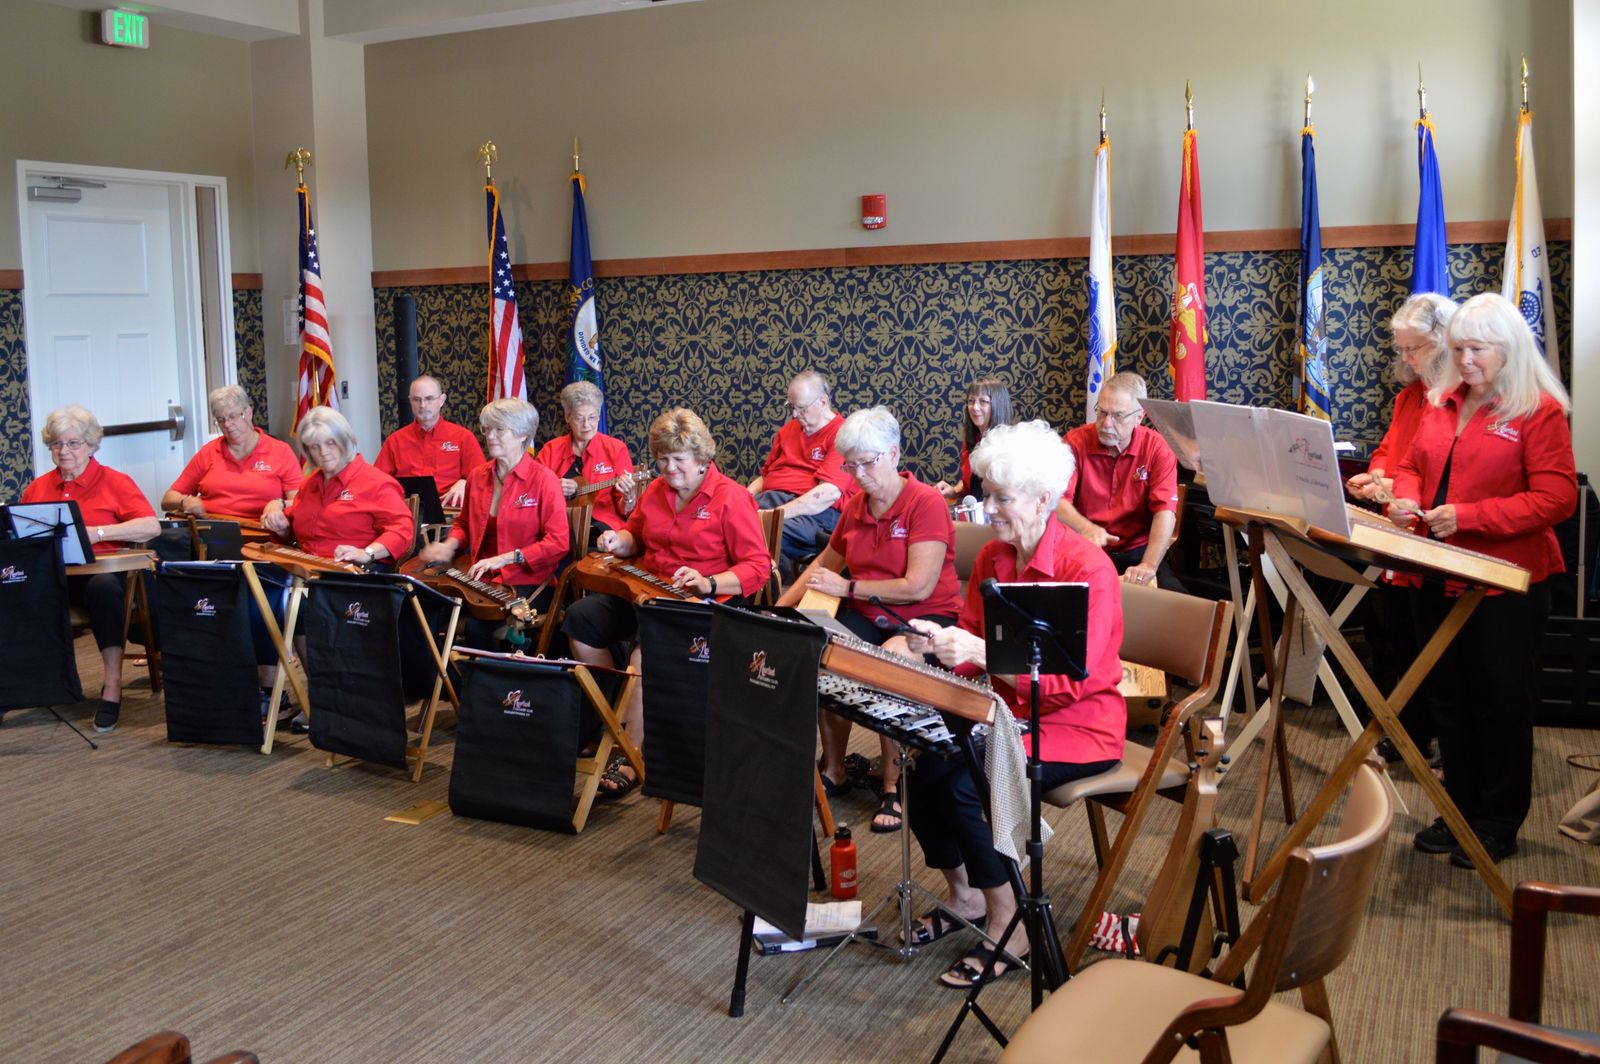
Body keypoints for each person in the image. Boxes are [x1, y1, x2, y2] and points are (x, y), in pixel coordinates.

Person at [904, 420, 1124, 988]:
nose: (988, 507)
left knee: (965, 776)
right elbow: (973, 648)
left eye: (1002, 498)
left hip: (1078, 726)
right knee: (923, 760)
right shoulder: (994, 557)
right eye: (988, 493)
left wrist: (980, 652)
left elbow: (1068, 685)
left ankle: (1012, 921)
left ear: (1044, 500)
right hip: (1003, 714)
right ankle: (968, 896)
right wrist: (939, 646)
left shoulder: (1086, 570)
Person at [1390, 292, 1575, 868]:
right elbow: (1409, 465)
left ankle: (1497, 823)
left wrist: (1469, 518)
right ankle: (1459, 811)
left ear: (1508, 350)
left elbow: (1557, 499)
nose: (1464, 361)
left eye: (1476, 350)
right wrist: (1405, 499)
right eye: (1457, 350)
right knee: (1448, 698)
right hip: (1436, 572)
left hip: (1505, 585)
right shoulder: (1439, 401)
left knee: (1499, 703)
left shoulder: (1538, 410)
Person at [565, 408, 770, 798]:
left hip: (700, 603)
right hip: (646, 590)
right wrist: (618, 541)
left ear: (702, 458)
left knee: (644, 654)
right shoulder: (657, 492)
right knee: (580, 621)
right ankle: (617, 714)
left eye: (678, 459)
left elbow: (758, 567)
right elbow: (636, 537)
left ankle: (633, 754)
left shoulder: (731, 497)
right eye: (662, 459)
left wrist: (709, 582)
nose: (669, 468)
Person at [777, 406, 962, 832]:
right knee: (822, 654)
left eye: (867, 463)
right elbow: (824, 563)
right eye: (850, 465)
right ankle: (835, 769)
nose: (858, 475)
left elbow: (917, 586)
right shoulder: (857, 506)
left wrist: (849, 588)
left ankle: (894, 786)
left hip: (926, 617)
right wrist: (779, 610)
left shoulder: (926, 503)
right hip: (870, 612)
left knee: (887, 664)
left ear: (893, 454)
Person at [1345, 293, 1457, 763]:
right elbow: (1390, 450)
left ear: (1445, 341)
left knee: (1437, 651)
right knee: (1399, 637)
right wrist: (1375, 476)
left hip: (1436, 540)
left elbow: (1444, 471)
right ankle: (1411, 732)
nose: (1406, 358)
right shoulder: (1409, 397)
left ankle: (1443, 742)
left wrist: (1390, 484)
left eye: (1415, 348)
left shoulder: (1456, 400)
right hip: (1398, 535)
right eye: (1402, 349)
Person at [22, 405, 161, 733]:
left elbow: (150, 526)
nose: (63, 451)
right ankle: (23, 684)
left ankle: (112, 683)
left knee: (104, 587)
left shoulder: (115, 482)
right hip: (55, 580)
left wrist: (99, 533)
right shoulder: (38, 488)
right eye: (56, 444)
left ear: (91, 445)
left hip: (102, 578)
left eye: (73, 443)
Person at [419, 398, 569, 646]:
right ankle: (435, 672)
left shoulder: (544, 480)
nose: (490, 436)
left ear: (523, 435)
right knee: (420, 606)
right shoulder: (477, 476)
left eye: (499, 430)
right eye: (487, 429)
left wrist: (505, 558)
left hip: (527, 581)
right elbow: (463, 524)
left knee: (479, 627)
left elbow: (558, 542)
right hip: (480, 576)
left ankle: (483, 671)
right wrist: (449, 545)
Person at [1055, 371, 1182, 589]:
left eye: (1118, 416)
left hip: (1138, 552)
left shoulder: (1157, 448)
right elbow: (1057, 501)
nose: (1106, 423)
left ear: (1139, 417)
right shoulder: (1075, 442)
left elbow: (1165, 512)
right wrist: (1087, 529)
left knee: (1177, 602)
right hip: (1087, 547)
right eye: (1102, 412)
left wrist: (1148, 566)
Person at [262, 407, 414, 566]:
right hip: (308, 567)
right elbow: (296, 533)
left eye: (330, 443)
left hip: (353, 571)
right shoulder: (309, 484)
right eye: (315, 447)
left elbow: (402, 530)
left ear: (345, 441)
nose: (324, 452)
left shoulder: (376, 483)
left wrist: (366, 553)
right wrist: (281, 528)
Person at [747, 370, 856, 581]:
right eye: (791, 407)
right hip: (771, 501)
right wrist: (741, 499)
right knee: (726, 521)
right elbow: (765, 477)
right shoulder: (788, 431)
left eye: (801, 408)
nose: (795, 414)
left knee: (760, 531)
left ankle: (771, 589)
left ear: (822, 402)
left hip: (815, 513)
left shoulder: (842, 435)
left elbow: (828, 494)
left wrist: (773, 516)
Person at [161, 384, 300, 523]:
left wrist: (280, 504)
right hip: (212, 528)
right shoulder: (208, 452)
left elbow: (300, 502)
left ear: (248, 413)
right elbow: (167, 499)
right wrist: (184, 501)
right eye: (221, 420)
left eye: (232, 416)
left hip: (260, 530)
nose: (227, 425)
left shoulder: (281, 451)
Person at [533, 380, 638, 548]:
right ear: (567, 417)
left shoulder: (616, 449)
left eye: (592, 417)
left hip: (603, 528)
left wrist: (629, 496)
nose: (587, 425)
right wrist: (553, 489)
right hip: (558, 527)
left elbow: (624, 509)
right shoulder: (551, 450)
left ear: (599, 415)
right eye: (579, 418)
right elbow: (531, 491)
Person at [374, 375, 486, 509]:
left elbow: (483, 479)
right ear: (410, 401)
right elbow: (378, 482)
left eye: (429, 398)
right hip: (408, 512)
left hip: (450, 512)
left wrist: (465, 482)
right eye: (417, 399)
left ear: (441, 400)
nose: (422, 405)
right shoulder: (395, 441)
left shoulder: (463, 437)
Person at [935, 375, 1013, 502]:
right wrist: (953, 491)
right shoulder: (971, 442)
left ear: (998, 405)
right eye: (971, 401)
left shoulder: (1011, 445)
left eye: (983, 401)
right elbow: (969, 487)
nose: (975, 407)